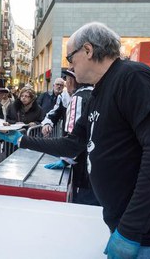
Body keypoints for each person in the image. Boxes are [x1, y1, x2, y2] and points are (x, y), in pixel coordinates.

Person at [0, 22, 150, 258]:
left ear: (88, 50)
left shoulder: (134, 78)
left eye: (70, 56)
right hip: (128, 227)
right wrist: (21, 140)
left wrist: (130, 230)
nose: (68, 64)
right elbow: (73, 142)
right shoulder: (99, 91)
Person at [43, 69, 98, 206]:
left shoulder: (78, 98)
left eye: (67, 79)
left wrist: (66, 158)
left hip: (84, 164)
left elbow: (75, 136)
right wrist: (48, 123)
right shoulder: (97, 94)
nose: (66, 83)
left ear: (73, 80)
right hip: (99, 163)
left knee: (83, 204)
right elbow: (54, 113)